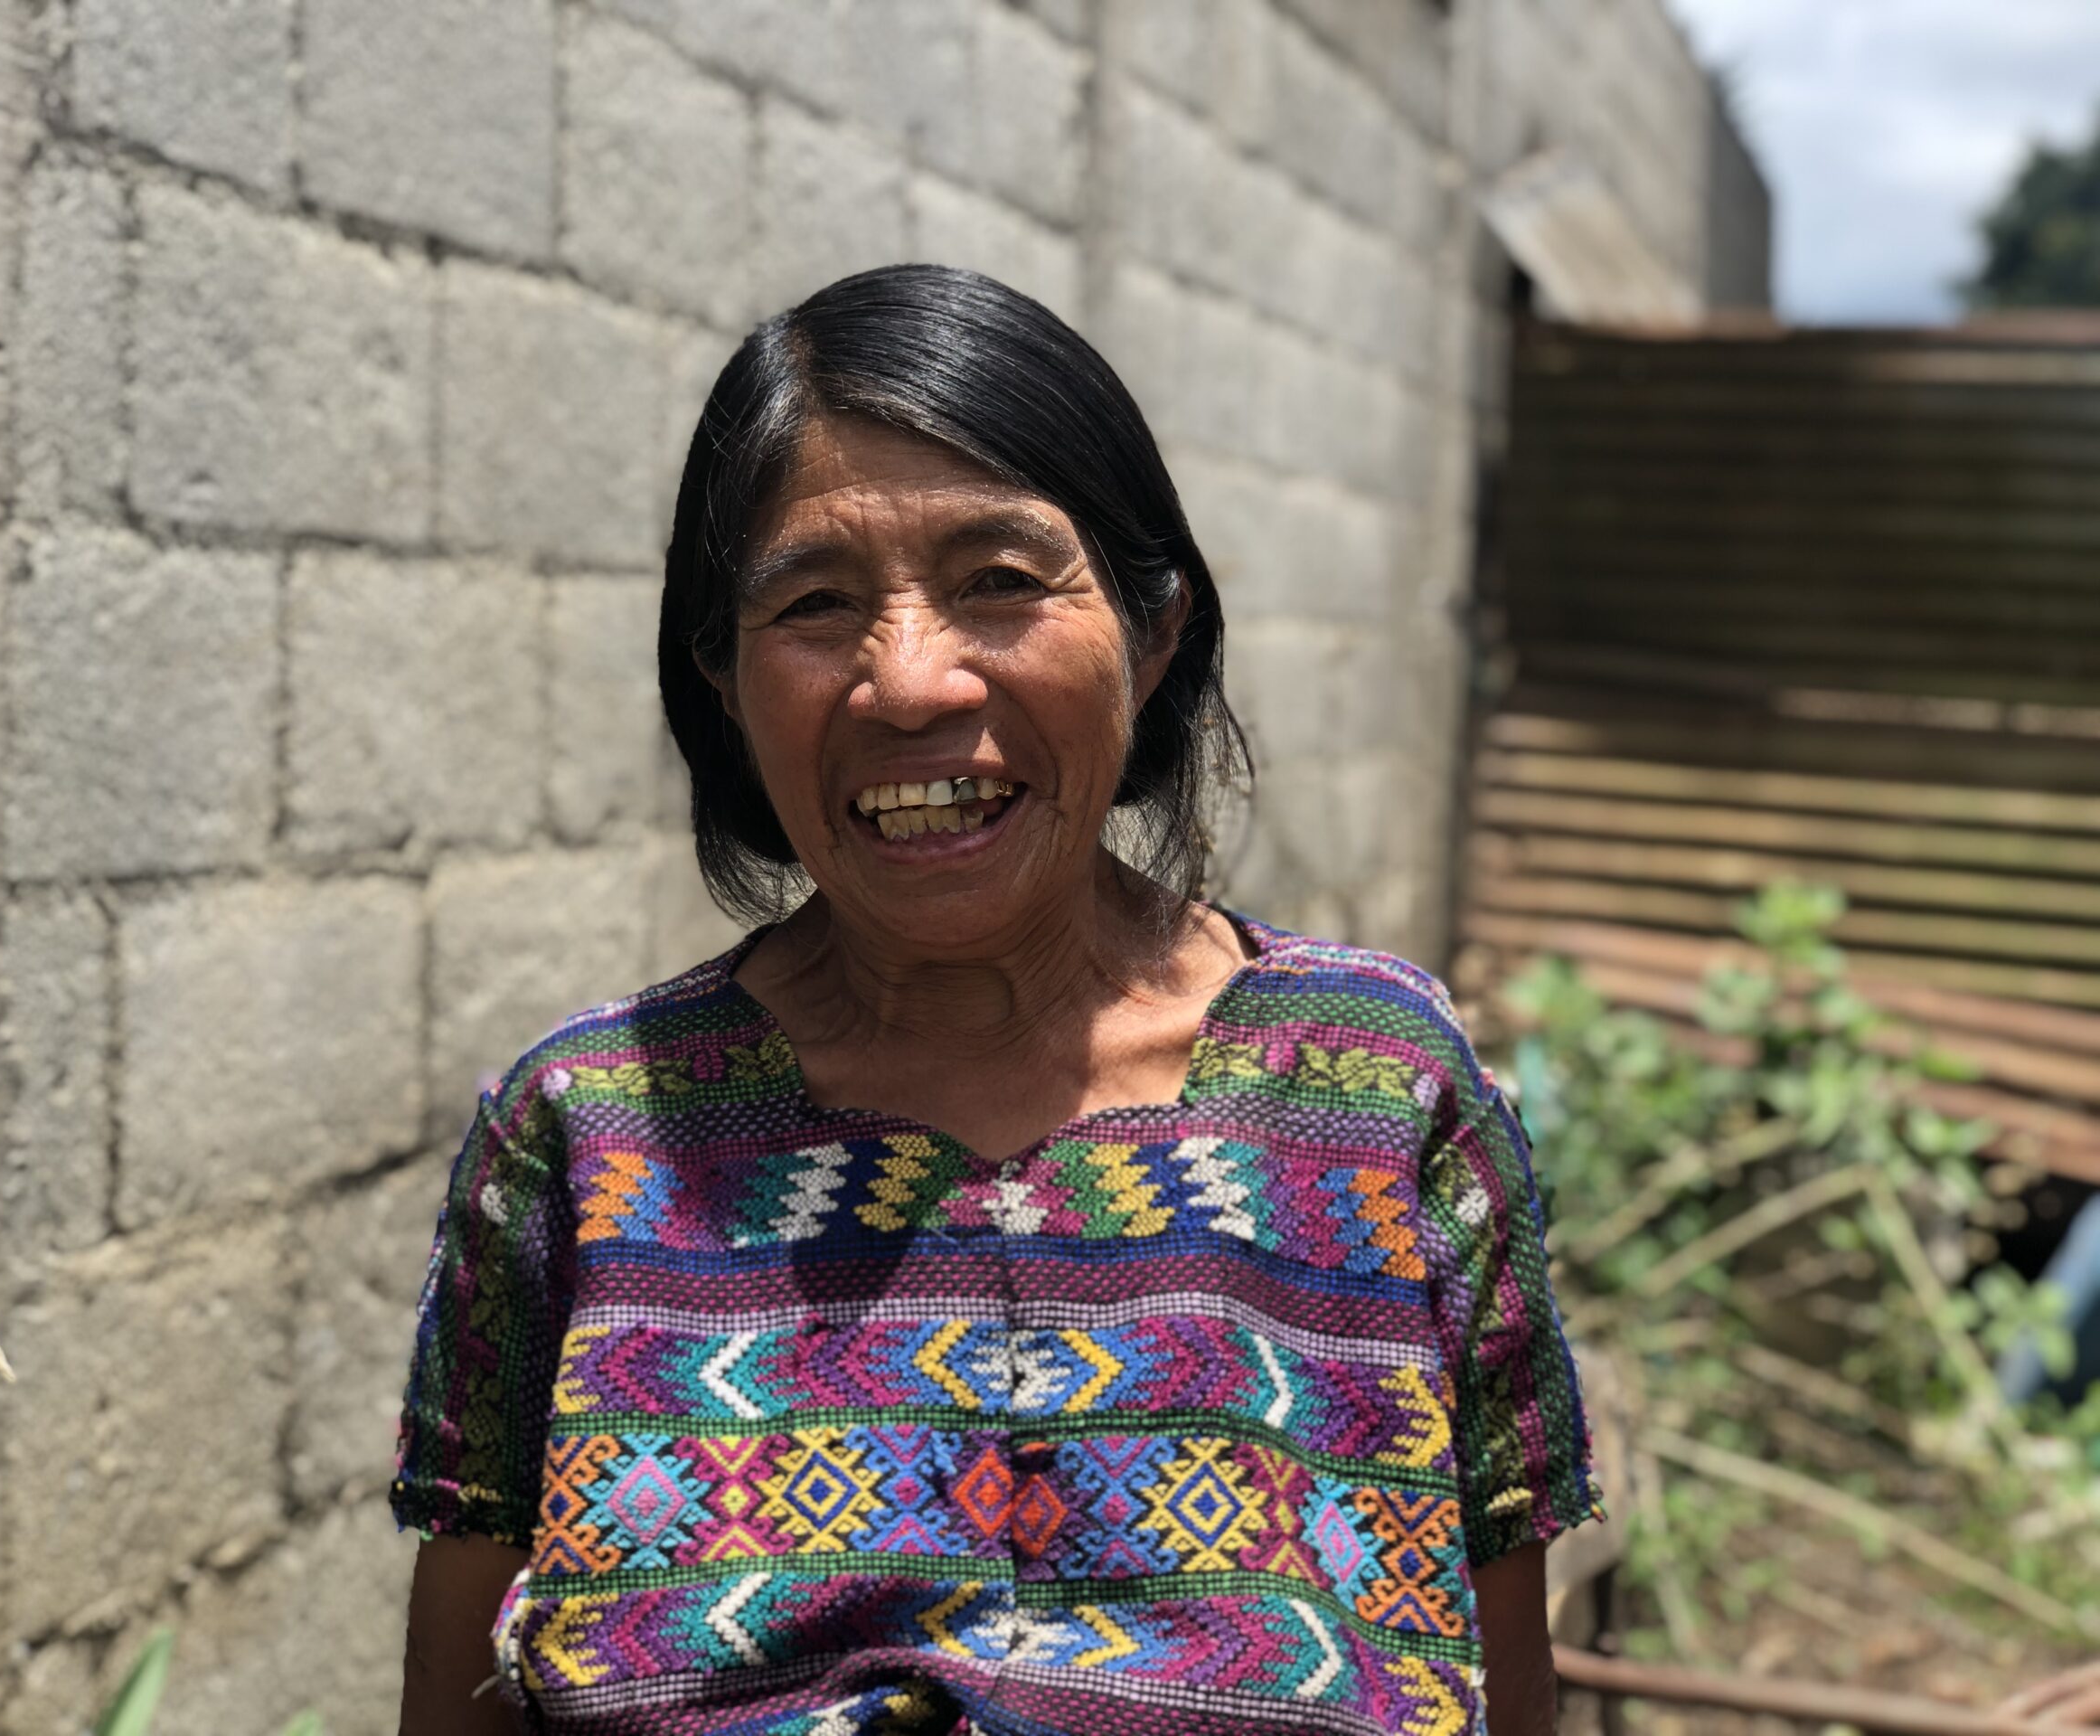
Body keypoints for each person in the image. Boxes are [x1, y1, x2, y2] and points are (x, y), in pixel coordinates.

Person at [390, 263, 1605, 1736]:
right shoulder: (589, 1132)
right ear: (721, 679)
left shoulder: (1376, 1091)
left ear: (1155, 630)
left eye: (1002, 583)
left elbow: (1501, 1679)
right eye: (816, 604)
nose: (910, 684)